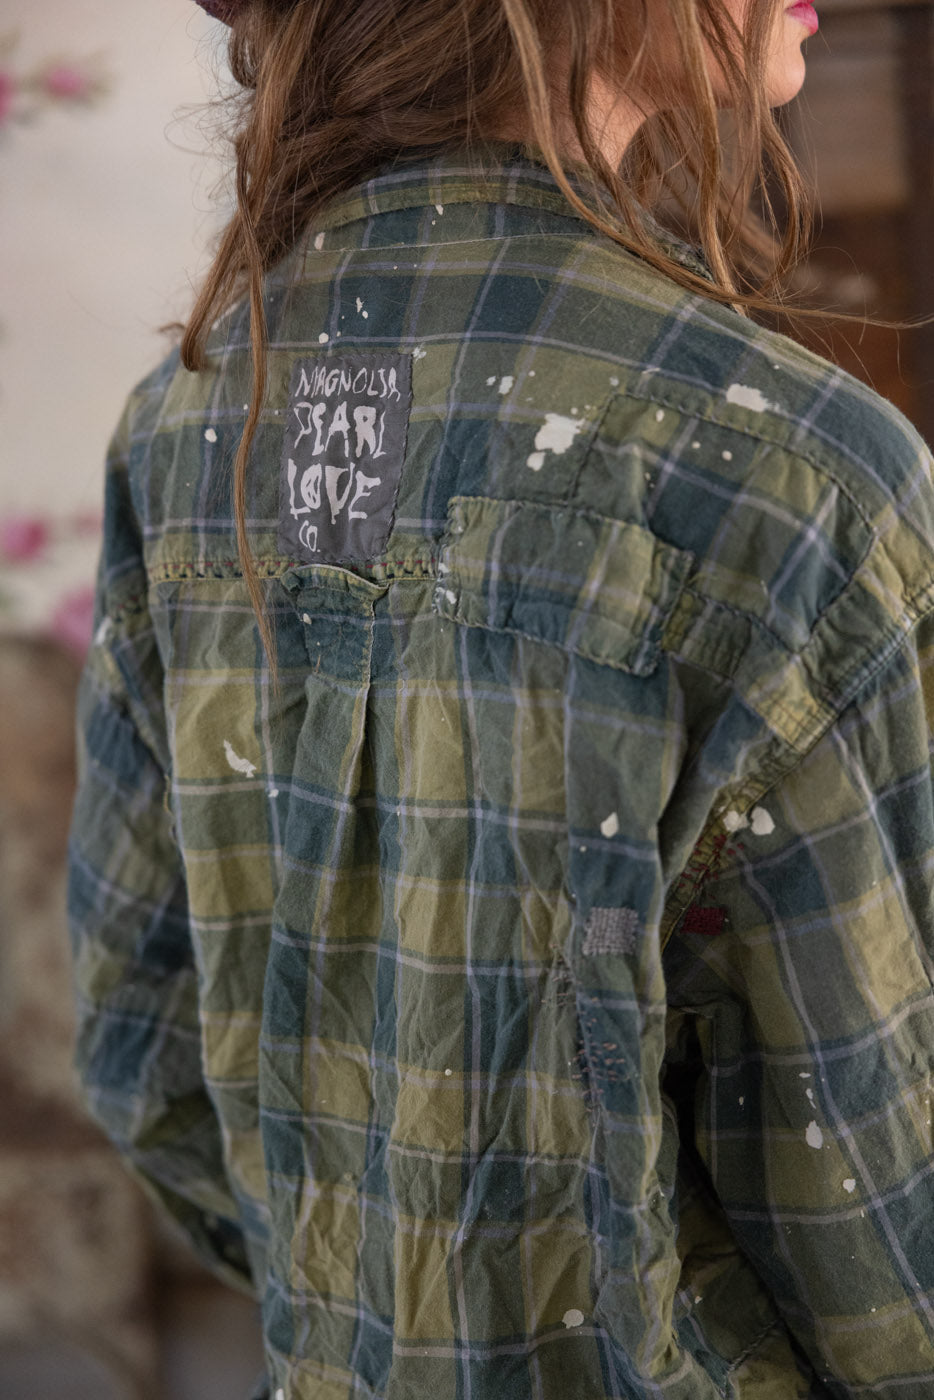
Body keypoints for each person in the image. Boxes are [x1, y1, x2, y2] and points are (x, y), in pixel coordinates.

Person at [67, 0, 934, 1395]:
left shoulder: (187, 421)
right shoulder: (795, 475)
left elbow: (143, 1054)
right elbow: (877, 1219)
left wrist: (379, 1306)